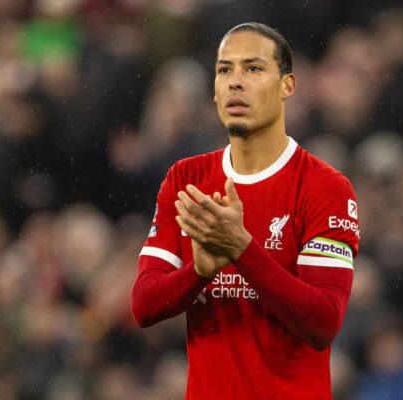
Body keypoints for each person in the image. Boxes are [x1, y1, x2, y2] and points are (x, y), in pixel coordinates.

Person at [131, 22, 360, 400]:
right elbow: (144, 305)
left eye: (253, 68)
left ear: (288, 85)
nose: (235, 81)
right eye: (225, 70)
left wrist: (241, 248)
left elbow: (323, 322)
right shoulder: (186, 178)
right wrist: (200, 272)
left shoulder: (325, 187)